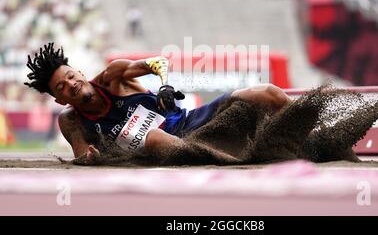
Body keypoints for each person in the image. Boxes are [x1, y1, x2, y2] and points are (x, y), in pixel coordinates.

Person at [24, 43, 292, 165]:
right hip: (164, 150)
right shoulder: (70, 121)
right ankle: (237, 163)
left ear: (80, 72)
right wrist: (91, 158)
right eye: (62, 87)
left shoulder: (113, 76)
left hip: (193, 121)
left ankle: (308, 132)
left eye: (71, 76)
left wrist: (163, 84)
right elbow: (83, 157)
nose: (70, 84)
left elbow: (158, 63)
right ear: (59, 99)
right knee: (153, 139)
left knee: (267, 93)